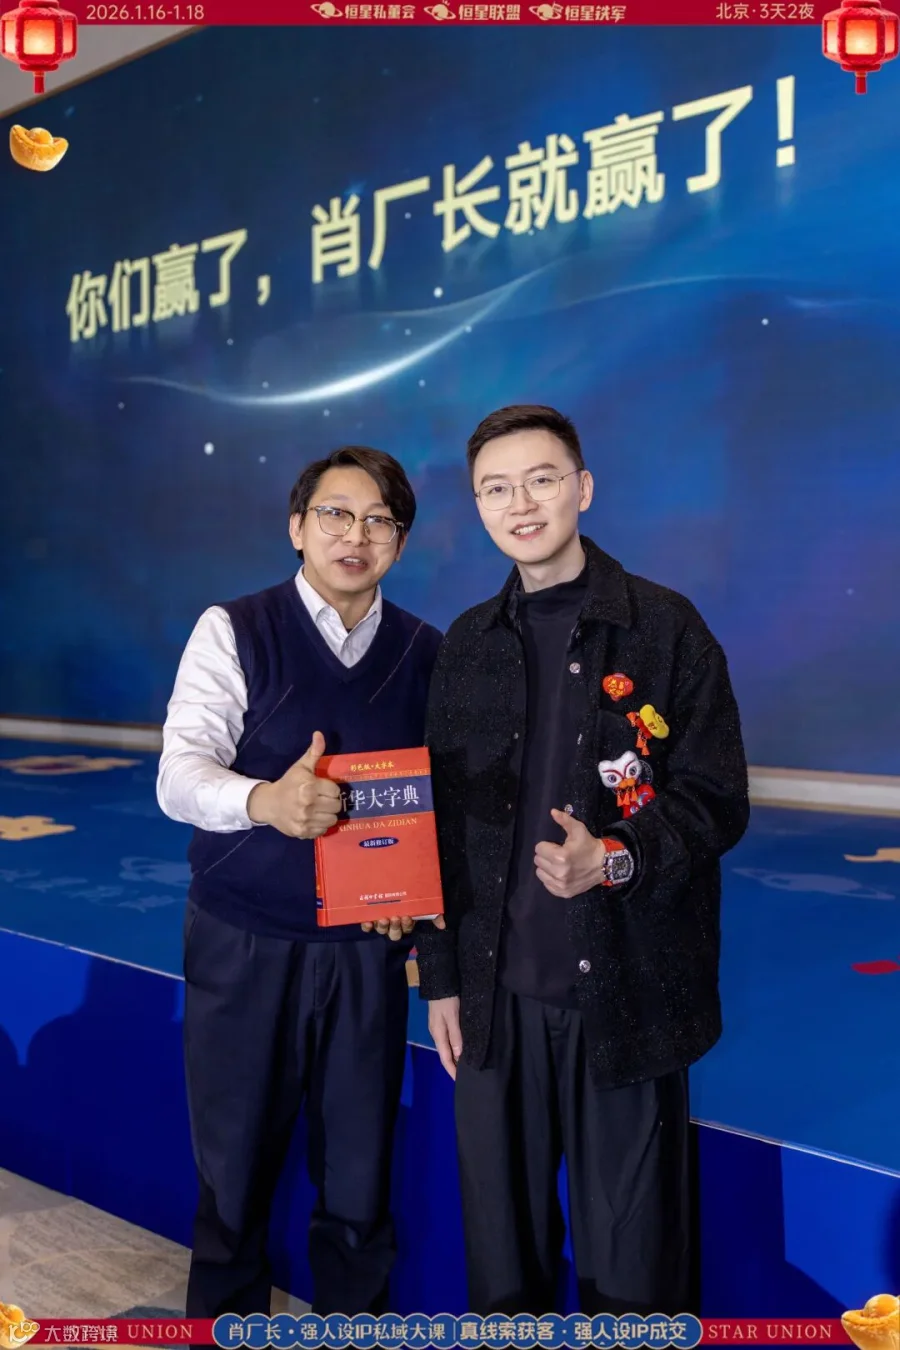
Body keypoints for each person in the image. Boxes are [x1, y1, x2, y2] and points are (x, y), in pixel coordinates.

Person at [414, 405, 750, 1317]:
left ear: (583, 488)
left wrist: (616, 858)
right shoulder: (467, 647)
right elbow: (439, 829)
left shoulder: (665, 629)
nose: (520, 504)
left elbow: (716, 796)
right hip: (494, 1006)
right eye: (496, 488)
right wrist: (440, 980)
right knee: (502, 1278)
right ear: (478, 505)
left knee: (635, 1285)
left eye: (542, 480)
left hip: (631, 1000)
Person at [157, 446, 443, 1319]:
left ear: (400, 542)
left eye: (379, 521)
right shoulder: (235, 628)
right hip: (243, 940)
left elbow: (444, 801)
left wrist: (413, 899)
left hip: (365, 955)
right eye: (335, 514)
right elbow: (179, 775)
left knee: (360, 1184)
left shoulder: (427, 651)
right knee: (233, 1177)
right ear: (296, 527)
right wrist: (267, 801)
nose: (356, 536)